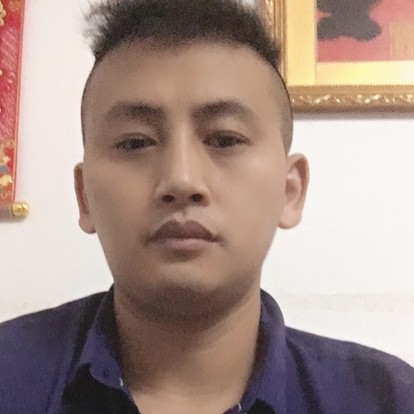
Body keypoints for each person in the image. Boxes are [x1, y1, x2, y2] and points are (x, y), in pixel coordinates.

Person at [1, 0, 413, 412]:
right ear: (84, 196)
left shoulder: (386, 400)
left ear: (290, 190)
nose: (181, 180)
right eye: (135, 142)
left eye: (225, 139)